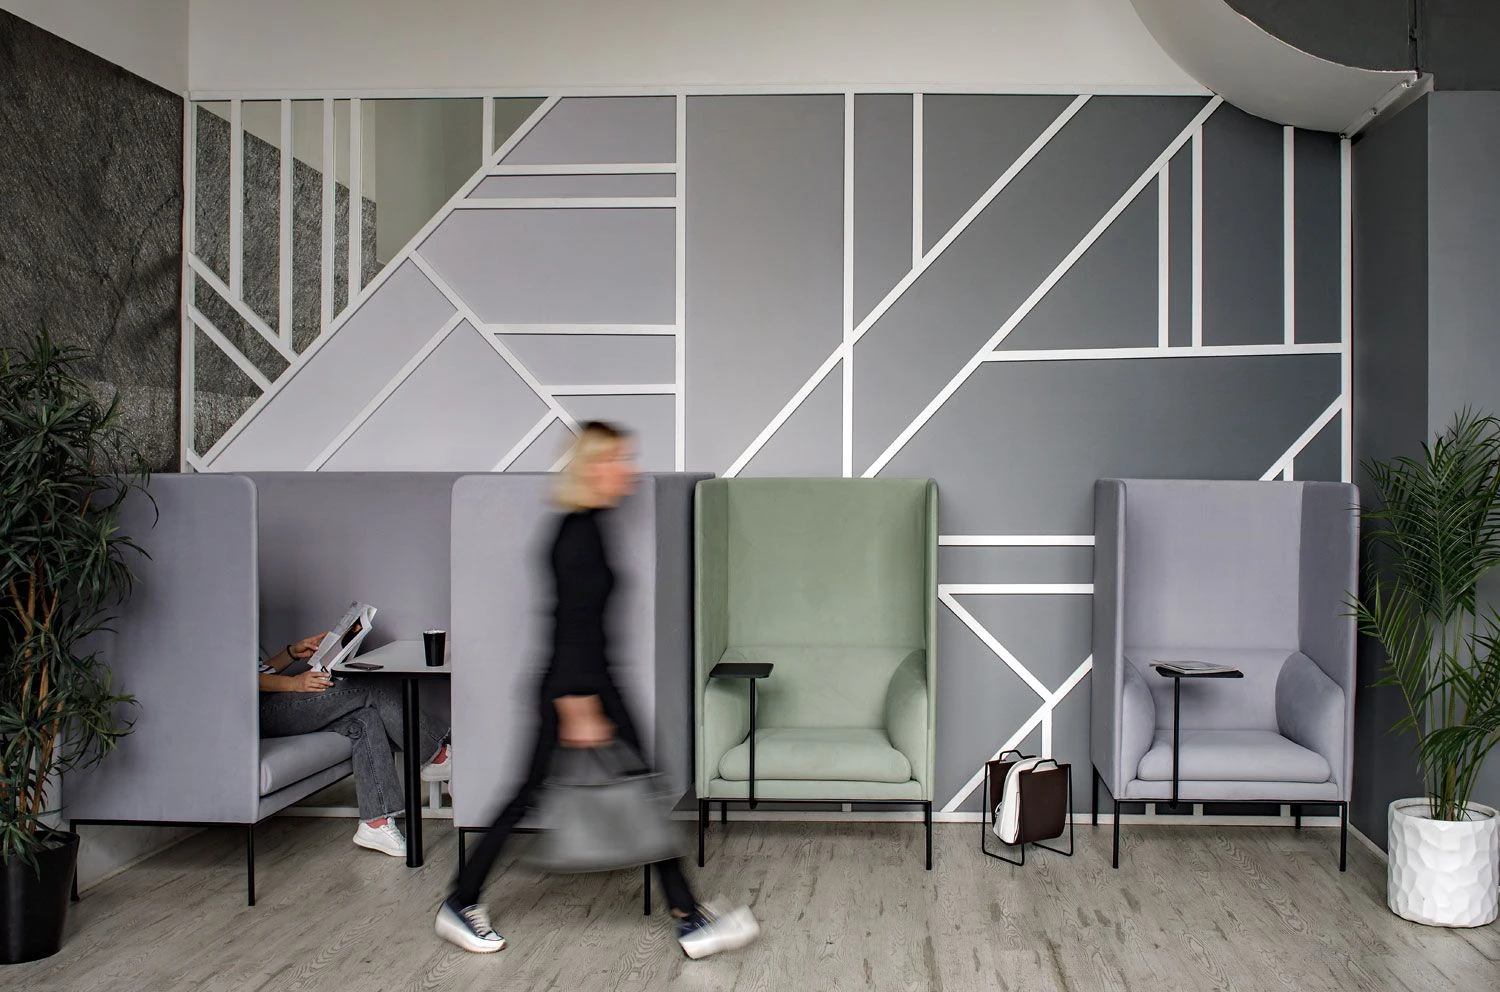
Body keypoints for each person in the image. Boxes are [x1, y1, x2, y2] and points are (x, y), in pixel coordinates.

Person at [435, 421, 759, 960]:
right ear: (590, 467)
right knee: (541, 795)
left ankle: (688, 916)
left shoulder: (592, 525)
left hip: (595, 683)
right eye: (614, 461)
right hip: (575, 686)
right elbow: (569, 624)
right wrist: (577, 705)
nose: (625, 471)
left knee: (638, 789)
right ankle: (461, 901)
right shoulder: (576, 534)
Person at [259, 634, 452, 857]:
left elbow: (257, 670)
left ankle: (375, 823)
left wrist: (292, 652)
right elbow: (236, 679)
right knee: (369, 686)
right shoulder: (225, 623)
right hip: (259, 710)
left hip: (271, 699)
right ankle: (437, 756)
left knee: (365, 719)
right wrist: (294, 683)